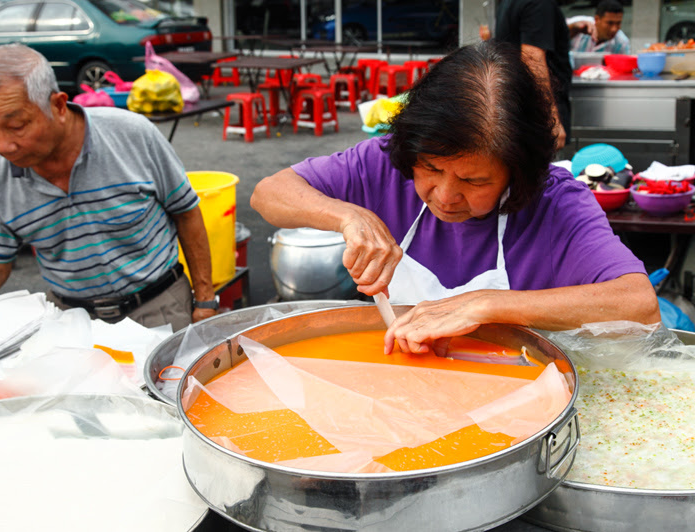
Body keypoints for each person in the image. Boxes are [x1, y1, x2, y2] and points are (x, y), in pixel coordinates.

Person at [251, 41, 659, 356]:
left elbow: (639, 306)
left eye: (474, 180)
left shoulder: (557, 204)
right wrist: (347, 216)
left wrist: (487, 305)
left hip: (512, 399)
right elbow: (269, 193)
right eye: (430, 169)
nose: (444, 196)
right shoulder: (383, 164)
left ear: (517, 174)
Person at [0, 44, 218, 331]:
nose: (3, 145)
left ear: (59, 106)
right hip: (70, 321)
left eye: (17, 126)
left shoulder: (131, 135)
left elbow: (186, 212)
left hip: (159, 306)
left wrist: (205, 302)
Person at [494, 0, 572, 150]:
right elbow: (532, 58)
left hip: (518, 110)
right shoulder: (540, 4)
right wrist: (551, 118)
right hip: (536, 116)